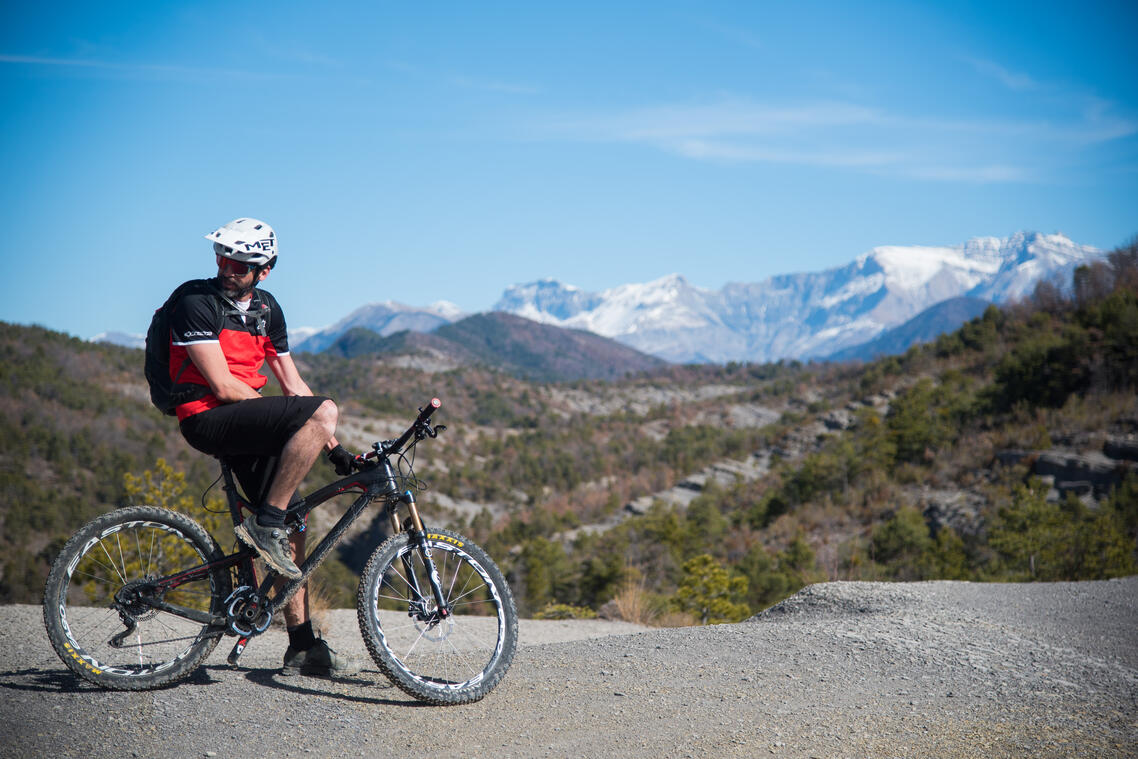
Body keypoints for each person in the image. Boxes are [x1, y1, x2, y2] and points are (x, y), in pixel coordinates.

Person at [168, 217, 357, 678]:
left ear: (264, 270)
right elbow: (222, 385)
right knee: (321, 411)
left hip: (247, 422)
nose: (226, 266)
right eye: (222, 256)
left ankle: (303, 645)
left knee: (296, 522)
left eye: (239, 261)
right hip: (207, 417)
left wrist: (335, 448)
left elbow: (292, 385)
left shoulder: (268, 309)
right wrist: (310, 417)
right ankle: (265, 522)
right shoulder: (195, 301)